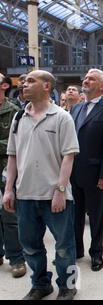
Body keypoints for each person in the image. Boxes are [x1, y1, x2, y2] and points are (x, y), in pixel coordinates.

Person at [3, 70, 80, 300]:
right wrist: (9, 189)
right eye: (24, 81)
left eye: (30, 81)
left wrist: (60, 190)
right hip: (25, 195)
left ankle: (68, 286)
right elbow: (12, 155)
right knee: (30, 245)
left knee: (65, 246)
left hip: (55, 196)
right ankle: (40, 284)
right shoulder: (19, 117)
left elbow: (69, 156)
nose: (23, 84)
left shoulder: (61, 117)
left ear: (47, 86)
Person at [70, 69, 103, 272]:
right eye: (86, 78)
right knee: (74, 214)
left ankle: (96, 253)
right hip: (73, 171)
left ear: (101, 87)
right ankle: (76, 250)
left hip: (96, 172)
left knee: (97, 216)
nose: (85, 80)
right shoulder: (76, 108)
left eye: (91, 79)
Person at [0, 73, 26, 278]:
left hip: (6, 171)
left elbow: (18, 145)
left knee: (10, 216)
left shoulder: (14, 112)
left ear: (5, 86)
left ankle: (16, 258)